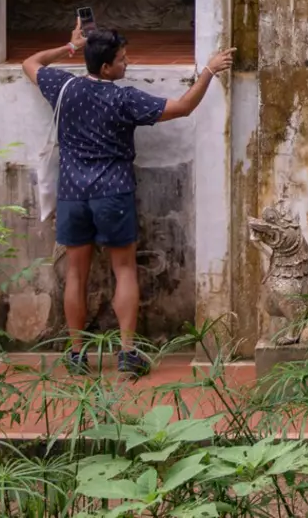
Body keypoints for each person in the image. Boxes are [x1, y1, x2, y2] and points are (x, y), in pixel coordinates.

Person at [23, 20, 234, 377]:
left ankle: (76, 354)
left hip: (72, 193)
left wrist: (70, 47)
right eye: (122, 59)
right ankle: (127, 352)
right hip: (113, 192)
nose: (127, 63)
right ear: (106, 67)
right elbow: (183, 107)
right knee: (124, 270)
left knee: (75, 274)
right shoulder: (124, 99)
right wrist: (209, 71)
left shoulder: (63, 87)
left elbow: (31, 63)